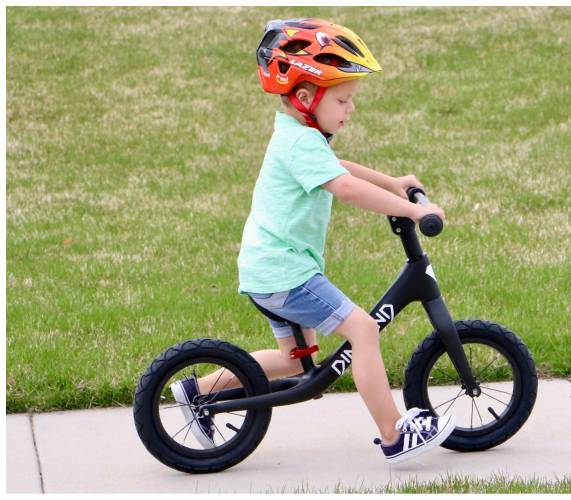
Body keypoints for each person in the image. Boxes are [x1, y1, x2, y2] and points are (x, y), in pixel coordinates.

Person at [169, 18, 455, 463]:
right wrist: (415, 211)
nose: (350, 109)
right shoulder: (300, 142)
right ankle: (394, 434)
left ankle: (197, 392)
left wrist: (393, 183)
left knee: (292, 359)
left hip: (271, 269)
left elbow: (338, 167)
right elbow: (345, 186)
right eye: (342, 100)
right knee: (363, 330)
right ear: (305, 98)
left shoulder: (299, 137)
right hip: (287, 273)